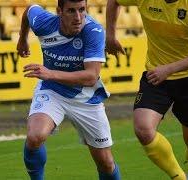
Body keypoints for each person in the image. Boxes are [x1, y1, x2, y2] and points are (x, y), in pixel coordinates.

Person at [106, 0, 188, 180]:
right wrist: (110, 36)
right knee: (143, 128)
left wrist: (169, 69)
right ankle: (179, 178)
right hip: (156, 74)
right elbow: (114, 1)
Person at [17, 0, 121, 179]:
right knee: (35, 136)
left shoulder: (94, 31)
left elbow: (90, 77)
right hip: (53, 91)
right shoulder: (44, 23)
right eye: (71, 11)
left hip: (86, 98)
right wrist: (22, 40)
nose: (78, 17)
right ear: (59, 11)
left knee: (106, 163)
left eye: (82, 10)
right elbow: (28, 10)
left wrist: (50, 74)